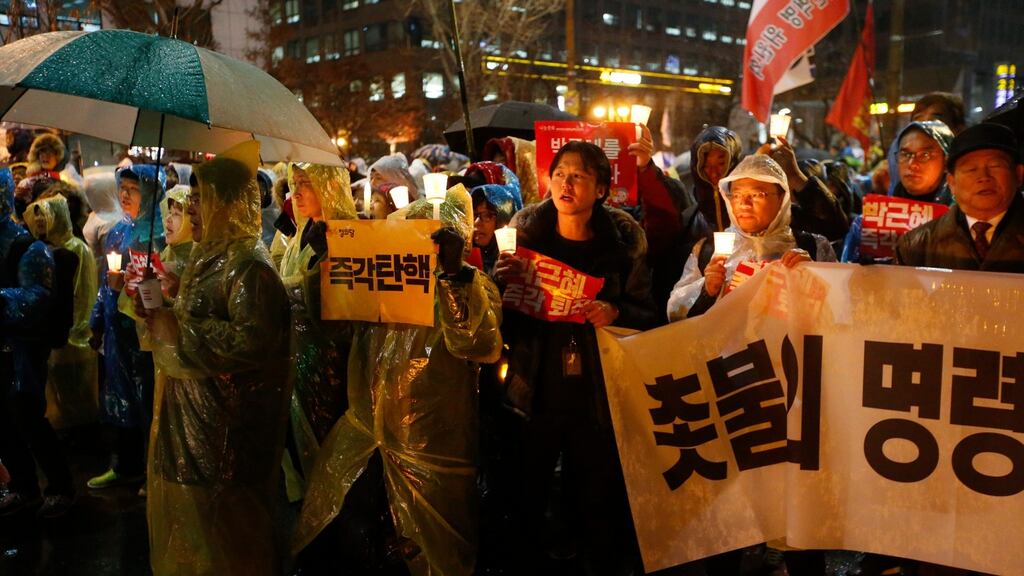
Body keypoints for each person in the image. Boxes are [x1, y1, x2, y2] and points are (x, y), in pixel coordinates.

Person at [293, 185, 502, 576]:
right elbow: (334, 326)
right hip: (364, 434)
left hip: (428, 448)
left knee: (428, 552)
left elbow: (478, 343)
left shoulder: (474, 286)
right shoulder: (383, 273)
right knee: (352, 537)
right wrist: (327, 262)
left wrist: (454, 276)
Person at [494, 141, 657, 574]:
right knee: (529, 484)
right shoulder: (525, 236)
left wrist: (615, 311)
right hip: (535, 381)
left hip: (599, 389)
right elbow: (497, 319)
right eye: (560, 173)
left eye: (579, 175)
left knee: (595, 488)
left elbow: (648, 311)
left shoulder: (624, 243)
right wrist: (499, 283)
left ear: (601, 189)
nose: (566, 183)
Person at [141, 140, 291, 575]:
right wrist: (168, 296)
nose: (191, 212)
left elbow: (253, 343)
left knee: (230, 536)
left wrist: (179, 326)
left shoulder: (249, 266)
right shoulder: (212, 258)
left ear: (226, 204)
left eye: (200, 202)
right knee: (196, 531)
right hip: (190, 421)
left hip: (226, 432)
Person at [668, 154, 836, 321]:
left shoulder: (813, 246)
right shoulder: (708, 250)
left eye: (757, 195)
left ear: (781, 198)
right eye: (737, 195)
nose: (744, 204)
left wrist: (813, 277)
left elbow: (840, 311)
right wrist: (706, 290)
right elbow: (675, 314)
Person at [87, 165, 164, 490]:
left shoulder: (160, 234)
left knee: (149, 400)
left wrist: (135, 289)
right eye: (123, 188)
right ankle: (124, 463)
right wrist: (97, 321)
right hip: (117, 329)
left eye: (133, 189)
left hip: (145, 332)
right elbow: (107, 283)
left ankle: (154, 471)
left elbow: (163, 290)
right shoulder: (119, 231)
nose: (125, 195)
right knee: (120, 397)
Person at [278, 162, 356, 483]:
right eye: (293, 183)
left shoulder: (352, 236)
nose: (295, 192)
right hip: (300, 357)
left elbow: (340, 313)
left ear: (329, 187)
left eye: (305, 183)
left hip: (335, 362)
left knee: (331, 444)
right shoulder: (301, 234)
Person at [895, 122, 1024, 272]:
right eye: (970, 169)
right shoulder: (915, 245)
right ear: (951, 183)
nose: (983, 177)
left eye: (995, 166)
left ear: (1019, 175)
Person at [24, 194, 99, 429]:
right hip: (57, 336)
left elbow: (85, 295)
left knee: (79, 392)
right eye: (36, 217)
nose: (39, 222)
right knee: (62, 391)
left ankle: (85, 440)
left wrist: (76, 331)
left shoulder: (76, 249)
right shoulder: (43, 249)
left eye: (44, 216)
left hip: (75, 339)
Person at [842, 120, 955, 263]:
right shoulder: (867, 224)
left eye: (925, 155)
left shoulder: (964, 221)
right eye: (905, 154)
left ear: (946, 161)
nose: (912, 164)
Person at [450, 161, 523, 275]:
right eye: (474, 215)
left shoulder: (521, 262)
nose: (477, 222)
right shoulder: (464, 258)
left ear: (504, 217)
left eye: (487, 215)